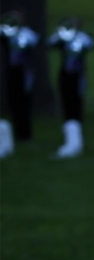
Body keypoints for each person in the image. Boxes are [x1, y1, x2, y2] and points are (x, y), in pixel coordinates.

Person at [47, 17, 94, 158]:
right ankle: (68, 131)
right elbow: (50, 44)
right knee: (65, 100)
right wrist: (59, 33)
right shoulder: (62, 38)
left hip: (79, 75)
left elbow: (91, 44)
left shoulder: (83, 38)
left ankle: (77, 134)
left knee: (77, 102)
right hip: (65, 74)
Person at [0, 10, 40, 158]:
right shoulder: (5, 33)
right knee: (13, 101)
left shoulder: (27, 34)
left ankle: (26, 134)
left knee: (25, 102)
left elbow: (34, 41)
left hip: (24, 72)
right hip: (11, 72)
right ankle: (16, 132)